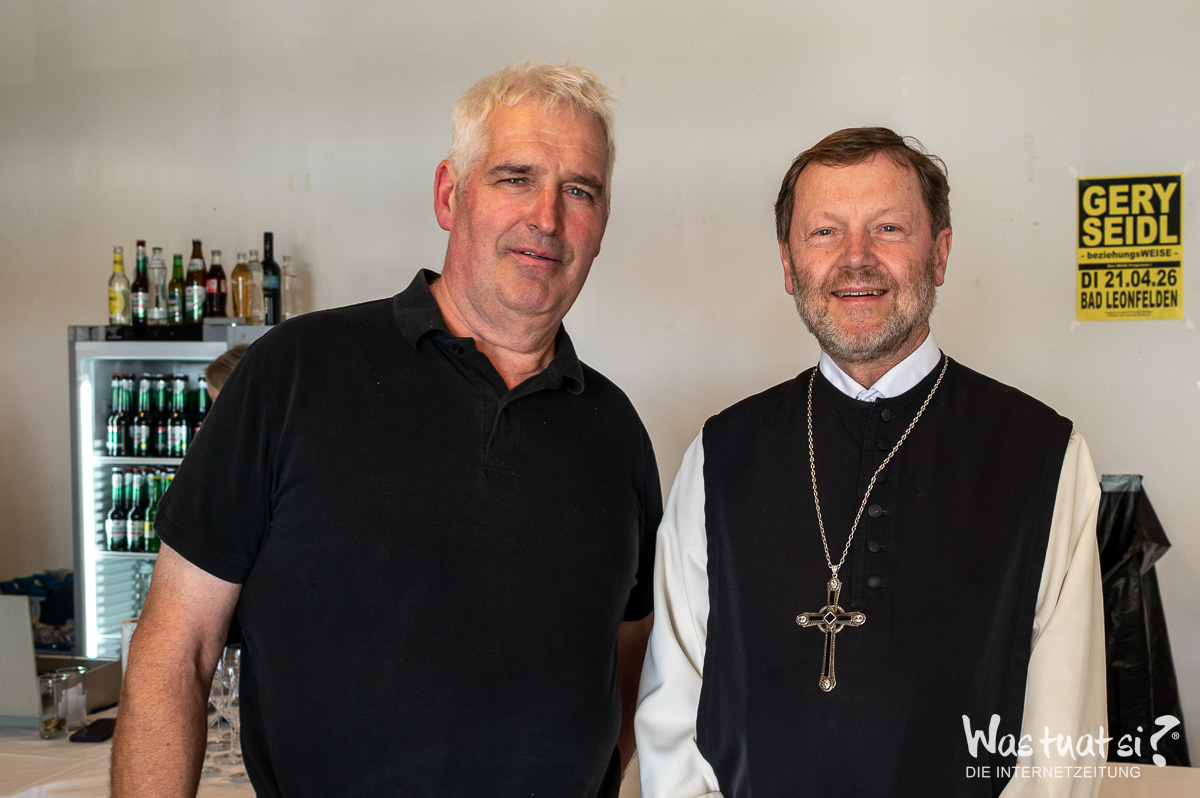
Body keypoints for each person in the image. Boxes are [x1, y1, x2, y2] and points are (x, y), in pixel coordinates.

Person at [112, 61, 661, 798]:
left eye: (579, 191)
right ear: (448, 194)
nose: (547, 218)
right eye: (515, 178)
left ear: (601, 225)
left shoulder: (616, 431)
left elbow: (632, 649)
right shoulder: (293, 375)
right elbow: (175, 648)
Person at [635, 127, 1105, 797]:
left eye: (888, 228)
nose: (856, 259)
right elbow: (673, 715)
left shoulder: (1044, 456)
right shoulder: (721, 454)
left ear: (939, 254)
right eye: (825, 232)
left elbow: (1061, 748)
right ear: (789, 265)